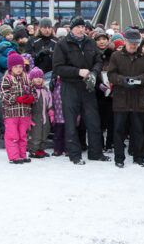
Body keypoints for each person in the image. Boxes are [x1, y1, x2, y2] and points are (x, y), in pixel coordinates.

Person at [52, 16, 109, 165]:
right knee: (70, 122)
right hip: (69, 86)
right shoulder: (62, 45)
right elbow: (58, 67)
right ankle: (74, 154)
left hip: (88, 86)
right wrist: (78, 72)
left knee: (93, 120)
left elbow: (98, 60)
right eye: (77, 27)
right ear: (71, 29)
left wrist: (94, 73)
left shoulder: (90, 42)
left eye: (82, 27)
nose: (80, 29)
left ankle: (96, 153)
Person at [106, 28, 144, 168]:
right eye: (131, 42)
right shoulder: (116, 56)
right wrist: (123, 80)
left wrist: (138, 79)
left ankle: (139, 157)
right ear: (125, 41)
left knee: (138, 130)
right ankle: (119, 158)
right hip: (121, 98)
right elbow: (111, 75)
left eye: (136, 43)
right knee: (119, 130)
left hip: (138, 98)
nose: (134, 45)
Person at [1, 52, 34, 164]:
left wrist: (31, 98)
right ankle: (14, 156)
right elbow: (5, 95)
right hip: (11, 113)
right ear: (11, 68)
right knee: (12, 135)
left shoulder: (27, 79)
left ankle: (22, 154)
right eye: (16, 67)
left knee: (23, 135)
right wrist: (17, 98)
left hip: (24, 112)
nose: (19, 69)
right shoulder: (7, 79)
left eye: (20, 66)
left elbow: (33, 91)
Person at [27, 67, 52, 159]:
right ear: (31, 79)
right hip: (35, 115)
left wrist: (51, 112)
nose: (38, 79)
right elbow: (28, 104)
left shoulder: (45, 89)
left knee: (44, 132)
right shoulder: (31, 90)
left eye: (40, 77)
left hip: (44, 115)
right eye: (36, 77)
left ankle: (41, 149)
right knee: (35, 133)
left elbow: (50, 101)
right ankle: (33, 150)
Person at [50, 75, 65, 156]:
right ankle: (57, 149)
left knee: (68, 134)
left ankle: (67, 149)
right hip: (57, 115)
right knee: (57, 134)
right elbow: (50, 100)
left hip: (67, 115)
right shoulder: (54, 85)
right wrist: (51, 113)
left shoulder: (68, 85)